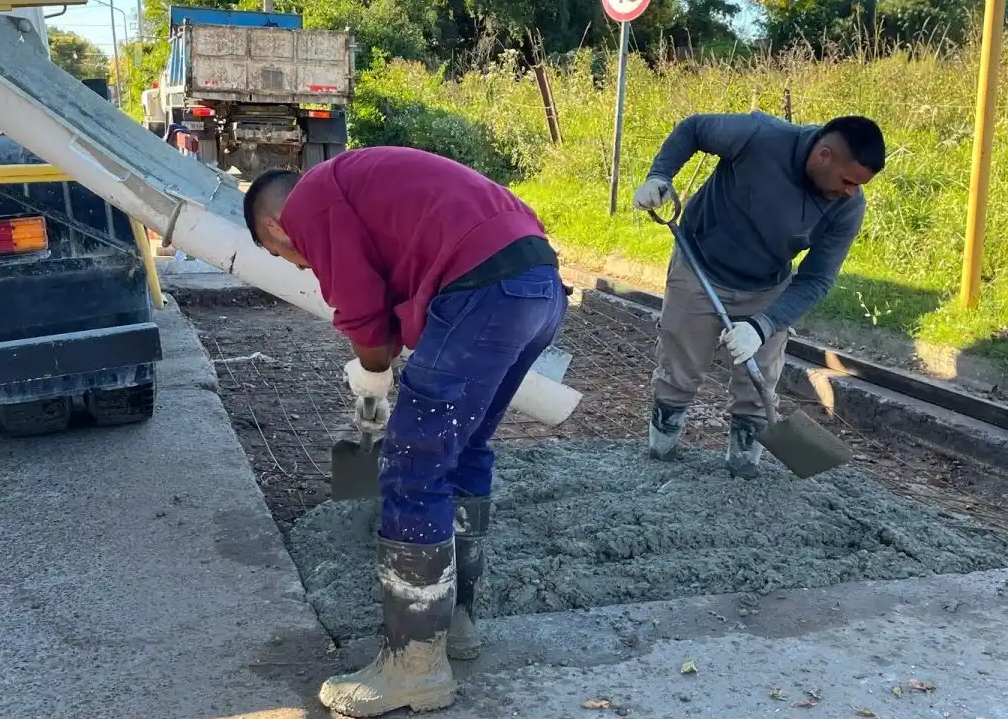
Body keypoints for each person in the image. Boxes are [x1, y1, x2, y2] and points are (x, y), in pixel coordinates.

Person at [243, 145, 568, 717]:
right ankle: (457, 625)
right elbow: (396, 309)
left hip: (481, 292)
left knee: (413, 467)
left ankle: (414, 668)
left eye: (283, 255)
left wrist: (371, 382)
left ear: (274, 224)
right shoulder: (361, 186)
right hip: (534, 285)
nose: (299, 265)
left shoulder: (311, 201)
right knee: (463, 450)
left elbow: (365, 316)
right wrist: (383, 359)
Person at [633, 112, 886, 479]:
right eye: (848, 181)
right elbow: (693, 129)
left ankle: (744, 470)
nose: (851, 191)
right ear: (824, 155)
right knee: (679, 368)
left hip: (767, 287)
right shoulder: (760, 135)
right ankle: (660, 455)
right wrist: (659, 175)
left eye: (858, 185)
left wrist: (762, 326)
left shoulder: (848, 206)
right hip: (698, 266)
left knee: (759, 383)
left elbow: (816, 278)